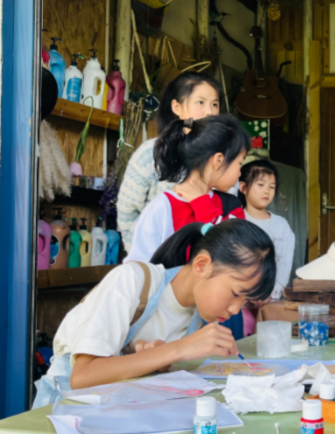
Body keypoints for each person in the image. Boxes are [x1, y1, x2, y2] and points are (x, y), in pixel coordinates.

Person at [32, 220, 276, 409]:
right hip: (61, 411)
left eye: (245, 302)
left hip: (110, 410)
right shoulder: (132, 280)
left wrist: (155, 361)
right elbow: (83, 377)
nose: (235, 309)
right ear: (202, 265)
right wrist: (178, 349)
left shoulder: (196, 314)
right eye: (235, 293)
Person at [117, 73, 223, 252]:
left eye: (215, 104)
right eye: (200, 102)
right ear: (177, 107)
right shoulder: (151, 153)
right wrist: (142, 255)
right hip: (157, 263)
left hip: (205, 264)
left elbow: (228, 209)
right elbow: (127, 209)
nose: (209, 112)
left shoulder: (220, 157)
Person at [125, 114, 249, 264]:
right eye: (240, 164)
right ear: (218, 161)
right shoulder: (163, 206)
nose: (240, 173)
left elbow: (240, 252)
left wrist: (202, 204)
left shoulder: (231, 206)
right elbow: (138, 266)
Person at [237, 160, 295, 336]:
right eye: (261, 185)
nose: (266, 191)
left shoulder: (281, 226)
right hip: (238, 304)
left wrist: (271, 293)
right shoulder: (236, 221)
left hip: (271, 303)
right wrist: (246, 293)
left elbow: (284, 263)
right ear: (243, 188)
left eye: (272, 187)